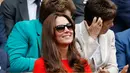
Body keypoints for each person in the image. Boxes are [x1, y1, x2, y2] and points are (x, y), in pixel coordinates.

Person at [5, 0, 76, 72]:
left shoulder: (67, 32)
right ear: (50, 19)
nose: (68, 24)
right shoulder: (24, 28)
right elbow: (14, 62)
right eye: (66, 19)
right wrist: (51, 64)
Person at [75, 0, 118, 73]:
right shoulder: (73, 34)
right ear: (97, 22)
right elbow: (81, 65)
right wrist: (92, 37)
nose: (112, 25)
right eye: (108, 23)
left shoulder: (109, 34)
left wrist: (108, 71)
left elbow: (113, 66)